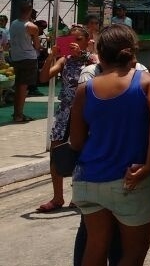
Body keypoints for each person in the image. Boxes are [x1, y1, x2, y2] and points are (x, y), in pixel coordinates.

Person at [69, 24, 150, 266]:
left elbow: (77, 141)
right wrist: (149, 164)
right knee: (132, 255)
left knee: (95, 247)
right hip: (129, 179)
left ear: (100, 54)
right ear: (133, 52)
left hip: (88, 179)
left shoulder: (85, 89)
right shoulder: (147, 81)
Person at [37, 25, 98, 213]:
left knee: (83, 154)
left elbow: (100, 68)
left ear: (87, 42)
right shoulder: (65, 60)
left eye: (78, 39)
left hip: (85, 113)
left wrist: (85, 54)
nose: (73, 43)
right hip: (64, 112)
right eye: (70, 39)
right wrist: (51, 56)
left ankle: (78, 196)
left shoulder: (93, 60)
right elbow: (44, 77)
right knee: (56, 152)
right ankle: (57, 197)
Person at [9, 2, 41, 123]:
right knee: (23, 88)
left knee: (18, 86)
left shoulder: (13, 23)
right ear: (30, 11)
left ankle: (16, 112)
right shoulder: (32, 27)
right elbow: (37, 45)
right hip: (28, 58)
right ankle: (19, 115)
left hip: (16, 57)